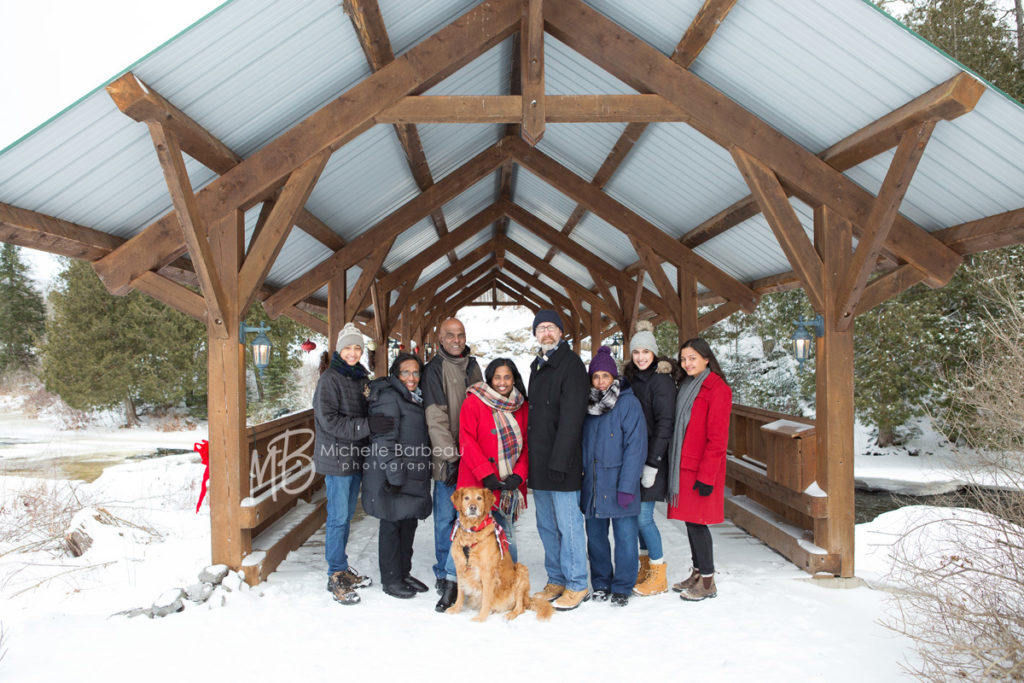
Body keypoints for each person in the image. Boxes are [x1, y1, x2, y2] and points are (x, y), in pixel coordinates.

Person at [313, 322, 393, 605]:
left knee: (345, 516)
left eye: (357, 347)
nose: (352, 352)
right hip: (337, 459)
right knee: (337, 518)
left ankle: (342, 567)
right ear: (338, 350)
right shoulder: (330, 379)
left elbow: (367, 411)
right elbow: (330, 421)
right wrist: (368, 426)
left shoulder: (360, 378)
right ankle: (335, 573)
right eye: (347, 347)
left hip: (356, 457)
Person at [527, 309, 591, 611]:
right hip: (539, 463)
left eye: (551, 327)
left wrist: (559, 461)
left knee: (568, 525)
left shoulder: (571, 365)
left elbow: (572, 419)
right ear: (536, 334)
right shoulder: (538, 366)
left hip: (561, 463)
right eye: (541, 328)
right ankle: (556, 578)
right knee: (547, 526)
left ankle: (577, 583)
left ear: (561, 333)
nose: (546, 333)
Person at [422, 317, 483, 611]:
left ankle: (465, 569)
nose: (456, 340)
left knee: (470, 519)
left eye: (460, 335)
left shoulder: (473, 366)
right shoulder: (433, 370)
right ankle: (444, 574)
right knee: (446, 518)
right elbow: (436, 418)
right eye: (450, 335)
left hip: (473, 459)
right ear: (440, 340)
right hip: (448, 460)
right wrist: (451, 457)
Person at [581, 346, 647, 607]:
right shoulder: (586, 404)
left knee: (626, 538)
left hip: (621, 482)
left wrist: (628, 485)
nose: (600, 382)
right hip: (594, 482)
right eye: (595, 377)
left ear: (614, 377)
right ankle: (601, 582)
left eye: (605, 376)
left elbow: (636, 446)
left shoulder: (628, 403)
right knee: (596, 537)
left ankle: (622, 585)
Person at [668, 337, 732, 601]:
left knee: (699, 524)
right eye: (684, 358)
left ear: (706, 358)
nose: (687, 363)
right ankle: (697, 573)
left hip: (701, 469)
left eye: (692, 357)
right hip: (684, 466)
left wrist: (707, 477)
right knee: (690, 522)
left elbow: (717, 439)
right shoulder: (688, 384)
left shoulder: (717, 389)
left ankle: (708, 582)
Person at [364, 352, 433, 599]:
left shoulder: (415, 397)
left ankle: (404, 573)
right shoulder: (389, 397)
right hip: (392, 473)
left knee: (408, 522)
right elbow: (384, 440)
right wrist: (394, 476)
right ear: (396, 374)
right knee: (392, 525)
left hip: (411, 472)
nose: (411, 377)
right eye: (406, 372)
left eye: (416, 372)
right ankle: (391, 579)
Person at [456, 358, 530, 563]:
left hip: (507, 485)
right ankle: (456, 581)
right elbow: (466, 440)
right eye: (497, 377)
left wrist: (519, 475)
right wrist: (485, 473)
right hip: (477, 482)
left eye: (507, 377)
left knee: (505, 534)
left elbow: (526, 446)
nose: (502, 382)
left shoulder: (522, 406)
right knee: (468, 534)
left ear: (514, 379)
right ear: (489, 379)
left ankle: (509, 578)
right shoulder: (473, 401)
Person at [623, 321, 677, 596]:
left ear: (654, 353)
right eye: (636, 352)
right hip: (634, 458)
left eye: (646, 351)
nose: (641, 357)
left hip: (653, 459)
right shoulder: (632, 378)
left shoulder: (661, 381)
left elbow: (666, 423)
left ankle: (658, 572)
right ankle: (645, 566)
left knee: (644, 518)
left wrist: (653, 463)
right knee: (636, 517)